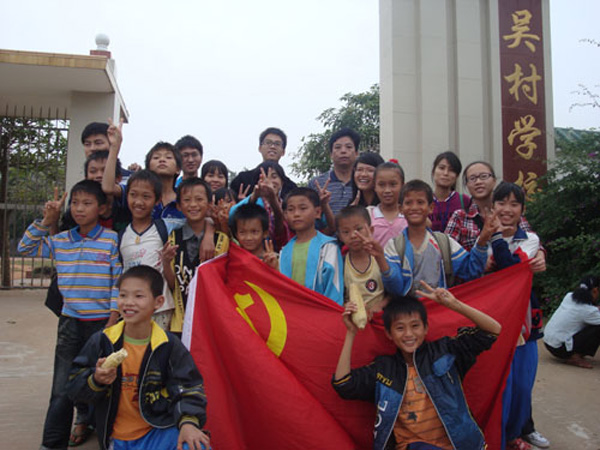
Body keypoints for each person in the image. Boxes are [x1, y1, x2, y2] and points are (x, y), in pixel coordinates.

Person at [332, 283, 501, 450]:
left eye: (415, 326)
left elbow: (492, 330)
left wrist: (453, 304)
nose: (408, 334)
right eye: (400, 328)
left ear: (425, 328)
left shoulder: (444, 352)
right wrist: (351, 332)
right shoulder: (384, 369)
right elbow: (343, 384)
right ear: (389, 334)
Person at [18, 180, 121, 450]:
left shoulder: (111, 239)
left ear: (102, 208)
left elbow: (117, 282)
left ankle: (106, 440)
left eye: (87, 203)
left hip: (102, 324)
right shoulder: (60, 240)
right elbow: (25, 248)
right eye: (75, 203)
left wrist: (112, 319)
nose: (79, 208)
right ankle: (52, 444)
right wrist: (46, 220)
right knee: (61, 388)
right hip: (70, 324)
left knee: (104, 386)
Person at [67, 265, 210, 450]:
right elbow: (73, 387)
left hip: (158, 431)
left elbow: (189, 387)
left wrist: (188, 423)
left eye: (138, 296)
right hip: (116, 437)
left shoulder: (168, 345)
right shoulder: (103, 341)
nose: (128, 302)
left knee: (197, 444)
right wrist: (96, 379)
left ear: (158, 302)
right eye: (123, 295)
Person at [487, 182, 547, 450]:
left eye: (514, 204)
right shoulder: (484, 238)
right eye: (501, 203)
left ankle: (514, 434)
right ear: (493, 206)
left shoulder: (530, 240)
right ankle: (499, 439)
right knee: (501, 386)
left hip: (524, 324)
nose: (507, 209)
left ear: (522, 209)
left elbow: (511, 268)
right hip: (493, 322)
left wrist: (497, 239)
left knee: (522, 385)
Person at [357, 180, 492, 297]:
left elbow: (471, 271)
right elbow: (395, 289)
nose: (414, 207)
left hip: (440, 309)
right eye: (408, 203)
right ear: (401, 209)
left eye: (420, 202)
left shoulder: (443, 242)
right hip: (409, 313)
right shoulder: (394, 246)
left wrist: (483, 239)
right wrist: (380, 258)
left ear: (431, 208)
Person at [119, 170, 183, 331]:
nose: (138, 202)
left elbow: (195, 222)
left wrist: (209, 230)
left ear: (157, 200)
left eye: (146, 196)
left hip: (160, 309)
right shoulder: (121, 235)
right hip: (131, 309)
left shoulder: (165, 227)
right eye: (133, 195)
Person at [160, 178, 213, 334]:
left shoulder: (220, 239)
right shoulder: (173, 238)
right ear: (179, 206)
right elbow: (173, 284)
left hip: (210, 319)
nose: (193, 205)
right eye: (187, 200)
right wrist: (165, 262)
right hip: (181, 322)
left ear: (210, 203)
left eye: (199, 199)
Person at [279, 187, 344, 305]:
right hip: (291, 311)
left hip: (321, 311)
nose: (296, 214)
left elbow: (334, 288)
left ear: (317, 212)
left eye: (303, 208)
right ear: (285, 215)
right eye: (291, 209)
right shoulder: (284, 251)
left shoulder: (328, 247)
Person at [229, 161, 291, 251]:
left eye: (274, 177)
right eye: (263, 177)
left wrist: (273, 200)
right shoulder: (254, 201)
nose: (268, 181)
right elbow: (232, 215)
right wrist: (254, 196)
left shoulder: (287, 204)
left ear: (282, 181)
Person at [336, 205, 386, 313]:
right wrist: (345, 305)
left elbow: (394, 292)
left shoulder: (380, 258)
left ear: (371, 230)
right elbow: (338, 296)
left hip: (381, 316)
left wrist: (380, 305)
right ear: (340, 236)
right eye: (346, 232)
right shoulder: (340, 264)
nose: (353, 236)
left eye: (358, 229)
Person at [543, 275, 600, 369]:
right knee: (597, 327)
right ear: (595, 290)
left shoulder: (569, 296)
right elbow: (589, 311)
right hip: (560, 349)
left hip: (549, 343)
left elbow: (586, 310)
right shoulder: (588, 311)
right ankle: (575, 357)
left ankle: (575, 353)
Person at [230, 127, 297, 200]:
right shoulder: (242, 180)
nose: (272, 146)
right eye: (268, 142)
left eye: (277, 144)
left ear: (283, 151)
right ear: (260, 148)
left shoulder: (291, 188)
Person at [308, 128, 360, 216]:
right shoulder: (316, 183)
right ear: (331, 154)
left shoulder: (362, 183)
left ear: (356, 153)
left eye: (348, 147)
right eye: (338, 147)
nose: (343, 151)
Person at [367, 161, 407, 247]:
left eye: (393, 184)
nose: (387, 190)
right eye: (381, 185)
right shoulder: (368, 215)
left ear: (403, 186)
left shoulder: (408, 213)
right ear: (375, 186)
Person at [429, 151, 471, 232]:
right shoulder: (424, 200)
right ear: (433, 171)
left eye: (451, 170)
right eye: (441, 168)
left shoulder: (464, 201)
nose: (445, 173)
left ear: (457, 176)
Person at [230, 202, 279, 269]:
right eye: (242, 232)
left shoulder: (274, 260)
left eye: (254, 232)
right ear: (236, 234)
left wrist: (275, 268)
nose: (248, 238)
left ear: (265, 233)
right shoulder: (234, 261)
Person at [145, 142, 183, 219]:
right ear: (148, 168)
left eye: (168, 157)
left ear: (178, 169)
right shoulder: (138, 194)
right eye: (156, 157)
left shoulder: (184, 199)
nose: (162, 160)